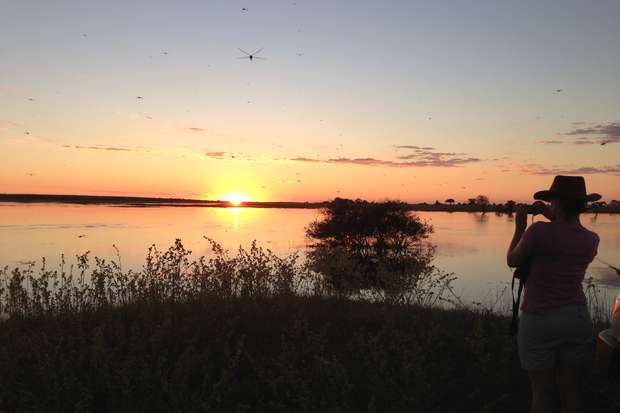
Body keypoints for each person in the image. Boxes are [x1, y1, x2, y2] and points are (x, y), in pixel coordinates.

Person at [506, 175, 601, 413]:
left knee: (542, 391)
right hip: (576, 318)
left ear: (556, 202)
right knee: (570, 389)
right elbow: (565, 235)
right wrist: (554, 216)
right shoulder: (591, 240)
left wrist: (519, 227)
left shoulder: (537, 232)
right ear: (581, 205)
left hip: (539, 320)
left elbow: (512, 260)